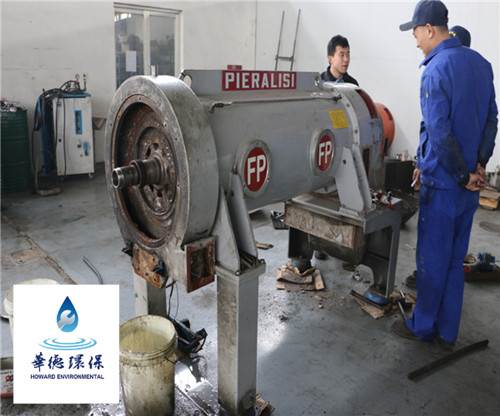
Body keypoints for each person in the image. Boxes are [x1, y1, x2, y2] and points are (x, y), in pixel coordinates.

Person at [394, 0, 498, 347]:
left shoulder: (435, 70)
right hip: (470, 187)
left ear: (429, 29)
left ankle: (423, 326)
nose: (415, 40)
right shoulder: (481, 64)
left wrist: (460, 174)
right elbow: (491, 120)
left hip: (443, 184)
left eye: (415, 33)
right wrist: (479, 165)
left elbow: (439, 133)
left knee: (432, 260)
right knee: (454, 260)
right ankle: (448, 330)